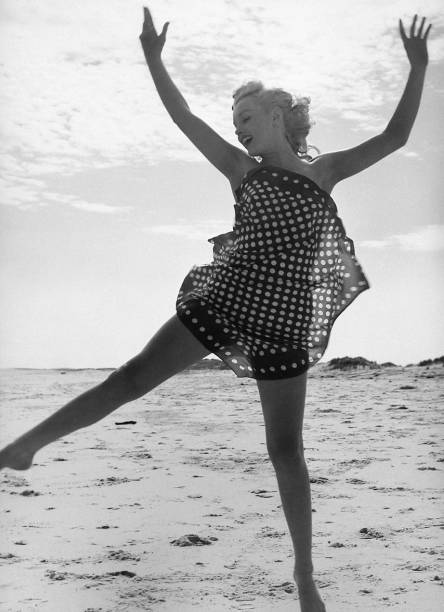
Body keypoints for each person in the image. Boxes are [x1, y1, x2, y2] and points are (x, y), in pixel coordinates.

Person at [0, 8, 432, 612]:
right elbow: (185, 118)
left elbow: (396, 138)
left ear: (277, 114)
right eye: (235, 124)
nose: (238, 131)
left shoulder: (326, 172)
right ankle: (24, 446)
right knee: (131, 377)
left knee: (286, 450)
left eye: (246, 119)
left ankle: (305, 578)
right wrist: (154, 60)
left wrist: (419, 68)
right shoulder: (239, 170)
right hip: (228, 299)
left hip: (284, 321)